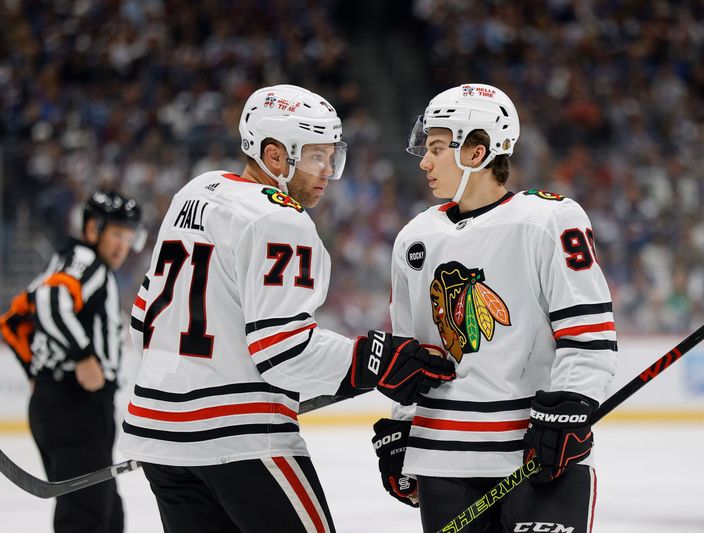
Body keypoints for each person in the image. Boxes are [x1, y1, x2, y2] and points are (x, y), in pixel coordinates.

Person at [118, 84, 455, 533]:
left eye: (332, 155)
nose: (328, 169)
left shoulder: (194, 192)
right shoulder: (279, 219)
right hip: (240, 439)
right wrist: (378, 359)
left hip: (158, 438)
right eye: (317, 156)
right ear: (275, 156)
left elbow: (144, 317)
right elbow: (283, 351)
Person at [370, 83, 618, 533]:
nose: (425, 162)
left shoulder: (549, 220)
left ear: (477, 150)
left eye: (438, 148)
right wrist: (403, 425)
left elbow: (589, 338)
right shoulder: (414, 237)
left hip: (536, 453)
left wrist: (573, 407)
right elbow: (411, 356)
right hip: (441, 457)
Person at [0, 190, 145, 533]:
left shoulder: (70, 261)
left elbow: (15, 318)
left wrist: (34, 370)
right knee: (86, 515)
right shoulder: (86, 262)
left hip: (68, 406)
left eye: (129, 237)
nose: (123, 246)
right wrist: (83, 357)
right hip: (75, 407)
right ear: (93, 229)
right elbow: (49, 300)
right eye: (117, 234)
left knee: (106, 513)